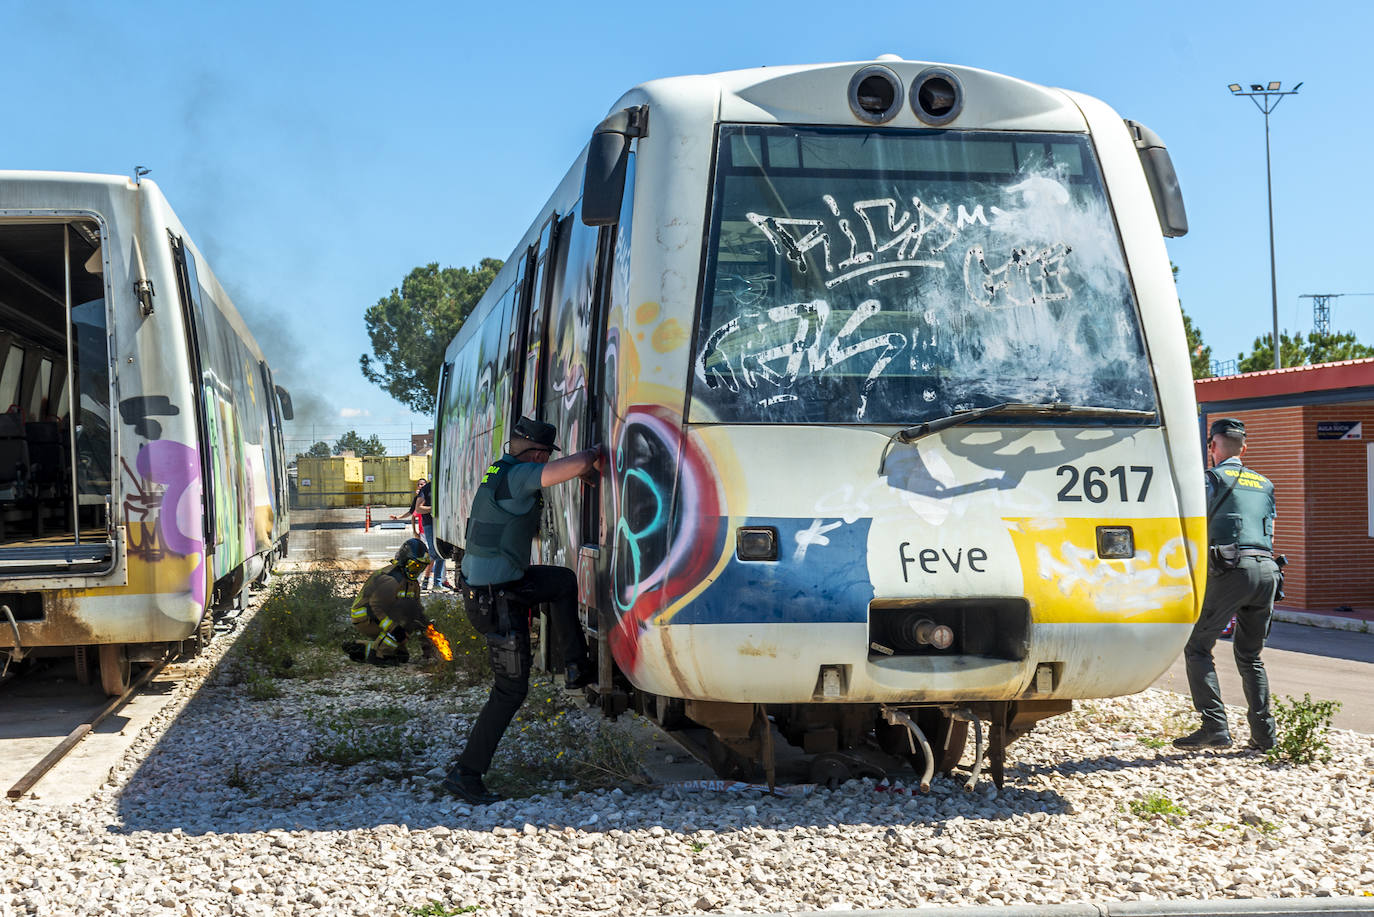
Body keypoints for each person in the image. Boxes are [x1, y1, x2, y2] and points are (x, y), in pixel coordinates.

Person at [442, 416, 602, 804]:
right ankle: (466, 774)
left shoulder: (501, 469)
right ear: (538, 453)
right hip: (495, 601)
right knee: (510, 690)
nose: (545, 461)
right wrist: (599, 453)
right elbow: (578, 464)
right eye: (545, 455)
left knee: (561, 581)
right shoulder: (520, 475)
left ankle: (576, 666)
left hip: (502, 586)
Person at [1174, 418, 1280, 752]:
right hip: (1268, 571)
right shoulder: (1264, 484)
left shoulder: (1211, 480)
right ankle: (1264, 737)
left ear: (1213, 447)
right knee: (1250, 655)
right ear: (1243, 448)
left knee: (1197, 646)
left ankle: (1214, 726)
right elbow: (1269, 530)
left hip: (1232, 568)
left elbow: (1190, 523)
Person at [344, 537, 433, 665]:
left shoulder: (413, 585)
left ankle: (363, 648)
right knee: (402, 626)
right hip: (366, 616)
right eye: (414, 566)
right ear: (404, 561)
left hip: (382, 614)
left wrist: (427, 642)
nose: (416, 572)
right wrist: (395, 630)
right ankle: (378, 656)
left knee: (401, 656)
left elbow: (418, 615)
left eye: (420, 568)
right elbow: (375, 608)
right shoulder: (392, 580)